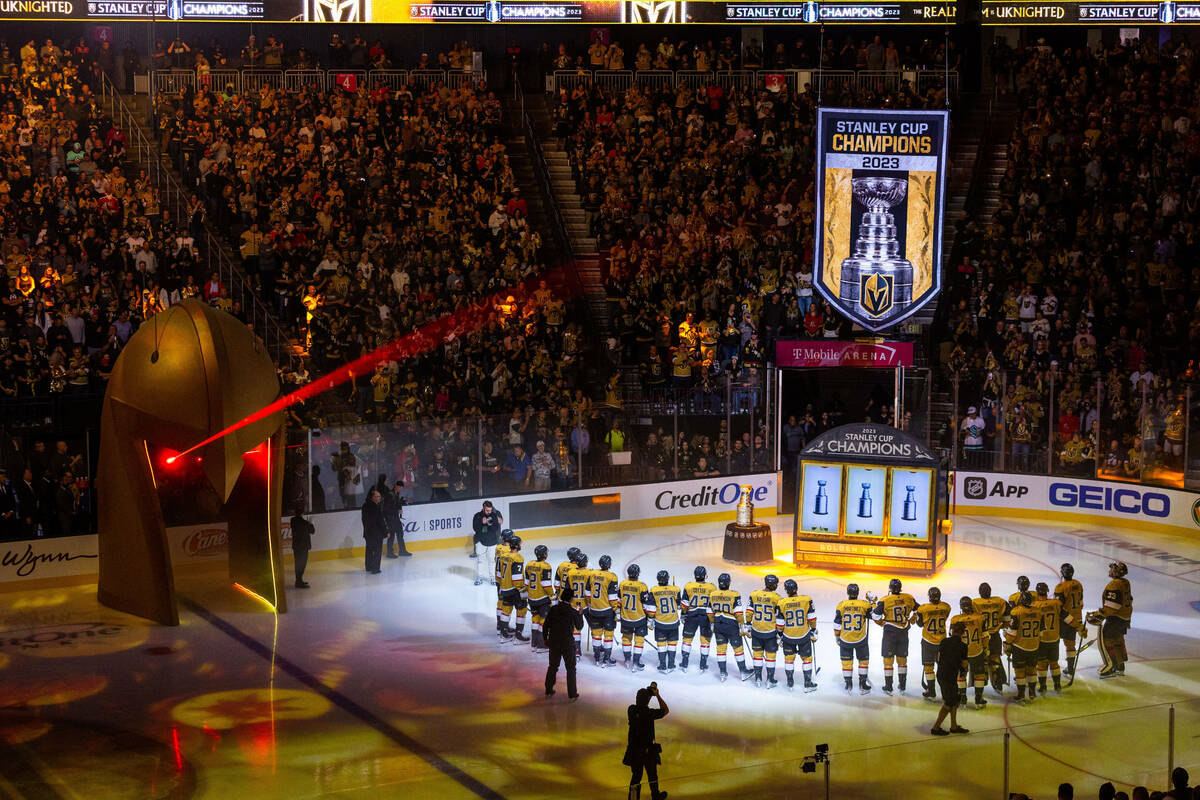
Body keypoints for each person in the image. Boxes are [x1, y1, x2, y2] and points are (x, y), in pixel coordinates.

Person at [624, 683, 669, 800]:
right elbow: (665, 710)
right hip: (648, 750)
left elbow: (642, 701)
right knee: (652, 775)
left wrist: (648, 694)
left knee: (636, 777)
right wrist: (657, 695)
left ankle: (633, 798)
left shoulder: (631, 710)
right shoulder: (649, 713)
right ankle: (655, 795)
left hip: (634, 750)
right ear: (648, 700)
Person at [1087, 561, 1132, 678]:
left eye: (1112, 568)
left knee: (1105, 640)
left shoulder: (1114, 585)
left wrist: (1099, 615)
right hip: (1125, 617)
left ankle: (1110, 666)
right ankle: (1120, 666)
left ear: (1116, 572)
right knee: (1117, 639)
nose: (1109, 570)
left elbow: (1113, 606)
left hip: (1116, 618)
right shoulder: (1125, 582)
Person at [876, 578, 917, 695]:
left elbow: (875, 615)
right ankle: (902, 686)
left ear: (890, 588)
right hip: (904, 632)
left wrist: (881, 622)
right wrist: (914, 618)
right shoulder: (908, 598)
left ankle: (888, 686)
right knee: (902, 659)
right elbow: (920, 609)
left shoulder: (885, 600)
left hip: (890, 633)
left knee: (888, 661)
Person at [709, 573, 753, 682]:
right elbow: (738, 612)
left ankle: (722, 673)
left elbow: (709, 611)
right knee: (738, 649)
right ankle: (743, 671)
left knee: (721, 650)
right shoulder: (734, 594)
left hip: (718, 623)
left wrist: (712, 623)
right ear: (729, 583)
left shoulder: (712, 594)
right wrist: (742, 625)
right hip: (731, 624)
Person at [929, 620, 969, 736]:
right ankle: (935, 728)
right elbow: (964, 663)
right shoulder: (963, 646)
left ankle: (954, 726)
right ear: (962, 633)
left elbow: (939, 657)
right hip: (950, 676)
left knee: (954, 700)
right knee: (949, 702)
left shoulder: (944, 641)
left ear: (952, 631)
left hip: (941, 674)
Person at [778, 578, 818, 692]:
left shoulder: (782, 602)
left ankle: (790, 682)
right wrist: (813, 629)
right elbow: (812, 618)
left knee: (789, 659)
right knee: (807, 659)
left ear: (786, 590)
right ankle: (807, 683)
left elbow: (780, 623)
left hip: (788, 636)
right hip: (803, 635)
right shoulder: (806, 599)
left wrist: (780, 635)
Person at [834, 583, 874, 694]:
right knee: (863, 660)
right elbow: (875, 615)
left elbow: (837, 624)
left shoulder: (841, 605)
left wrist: (837, 637)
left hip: (845, 639)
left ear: (848, 593)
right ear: (857, 593)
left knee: (847, 662)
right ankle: (862, 683)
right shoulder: (864, 605)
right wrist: (873, 602)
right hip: (860, 639)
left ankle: (848, 684)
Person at [912, 587, 951, 701]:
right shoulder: (946, 606)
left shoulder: (923, 609)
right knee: (943, 668)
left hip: (928, 641)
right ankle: (946, 692)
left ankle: (931, 691)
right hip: (942, 642)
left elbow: (919, 624)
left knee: (929, 667)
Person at [949, 596, 987, 707]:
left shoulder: (956, 619)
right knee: (979, 675)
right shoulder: (980, 618)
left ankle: (962, 699)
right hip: (977, 651)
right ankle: (978, 700)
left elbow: (952, 635)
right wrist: (985, 648)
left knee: (961, 675)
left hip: (961, 652)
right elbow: (985, 636)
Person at [544, 587, 581, 700]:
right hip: (567, 644)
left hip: (554, 642)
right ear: (571, 599)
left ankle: (548, 689)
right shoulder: (573, 612)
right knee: (571, 668)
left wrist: (545, 639)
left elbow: (545, 626)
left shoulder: (553, 609)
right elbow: (579, 626)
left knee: (553, 666)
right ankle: (572, 693)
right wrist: (580, 614)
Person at [747, 574, 783, 688]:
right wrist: (780, 631)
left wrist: (748, 623)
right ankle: (770, 680)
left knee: (757, 655)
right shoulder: (777, 598)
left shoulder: (754, 594)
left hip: (756, 630)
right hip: (770, 632)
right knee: (770, 656)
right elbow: (780, 617)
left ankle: (758, 678)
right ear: (773, 584)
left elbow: (749, 612)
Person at [1032, 582, 1069, 693]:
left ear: (1037, 592)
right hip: (1054, 639)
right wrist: (1079, 627)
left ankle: (1043, 686)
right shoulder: (1056, 603)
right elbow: (1067, 617)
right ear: (1047, 591)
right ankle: (1057, 685)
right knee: (1054, 663)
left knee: (1042, 664)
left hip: (1042, 640)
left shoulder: (1034, 605)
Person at [1006, 590, 1042, 702]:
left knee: (1020, 672)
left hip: (1020, 647)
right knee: (1032, 670)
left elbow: (1012, 632)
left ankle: (1021, 694)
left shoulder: (1016, 611)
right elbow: (1041, 631)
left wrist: (1007, 642)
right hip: (1034, 646)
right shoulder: (1039, 611)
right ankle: (1032, 692)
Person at [973, 582, 1009, 691]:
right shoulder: (1000, 601)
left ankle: (981, 682)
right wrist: (1003, 627)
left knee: (982, 659)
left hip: (981, 637)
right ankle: (997, 682)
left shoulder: (975, 603)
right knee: (995, 658)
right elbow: (1008, 618)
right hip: (994, 636)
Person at [679, 565, 715, 673]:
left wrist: (683, 614)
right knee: (705, 641)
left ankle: (684, 663)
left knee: (687, 640)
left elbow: (684, 603)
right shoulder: (712, 587)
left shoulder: (689, 586)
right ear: (705, 575)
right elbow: (714, 604)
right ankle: (703, 664)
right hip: (706, 617)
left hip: (692, 615)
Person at [586, 554, 620, 666]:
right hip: (607, 611)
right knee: (608, 635)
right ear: (609, 565)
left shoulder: (592, 574)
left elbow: (587, 593)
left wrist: (590, 605)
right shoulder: (612, 577)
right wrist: (616, 610)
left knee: (596, 634)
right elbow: (612, 597)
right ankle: (606, 658)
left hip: (594, 611)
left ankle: (596, 658)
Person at [618, 564, 653, 671]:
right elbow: (646, 605)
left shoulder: (622, 584)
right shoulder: (642, 586)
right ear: (638, 574)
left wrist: (617, 613)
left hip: (626, 617)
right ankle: (636, 662)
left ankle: (627, 660)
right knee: (639, 640)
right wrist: (650, 617)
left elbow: (618, 601)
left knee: (626, 639)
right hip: (639, 618)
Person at [1054, 563, 1085, 679]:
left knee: (1054, 642)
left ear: (1062, 573)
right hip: (1077, 618)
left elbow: (1059, 607)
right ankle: (1071, 669)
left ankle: (1053, 667)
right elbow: (1081, 603)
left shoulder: (1060, 587)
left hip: (1065, 620)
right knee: (1070, 644)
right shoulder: (1078, 584)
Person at [495, 535, 528, 642]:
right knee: (521, 609)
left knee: (506, 610)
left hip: (504, 588)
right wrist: (522, 591)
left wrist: (502, 586)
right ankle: (518, 636)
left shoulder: (504, 556)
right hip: (514, 589)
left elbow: (499, 574)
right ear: (517, 545)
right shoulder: (518, 558)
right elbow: (517, 578)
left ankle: (504, 635)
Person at [647, 570, 681, 673]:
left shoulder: (653, 590)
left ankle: (662, 665)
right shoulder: (676, 589)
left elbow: (651, 609)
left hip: (660, 622)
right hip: (673, 622)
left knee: (661, 644)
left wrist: (650, 619)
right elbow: (679, 606)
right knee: (672, 643)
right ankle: (671, 664)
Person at [525, 545, 554, 650]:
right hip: (542, 599)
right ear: (545, 555)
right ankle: (542, 645)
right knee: (543, 621)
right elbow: (546, 584)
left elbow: (526, 583)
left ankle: (534, 644)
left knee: (535, 619)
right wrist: (552, 596)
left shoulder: (529, 564)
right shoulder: (546, 566)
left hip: (532, 598)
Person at [471, 501, 502, 586]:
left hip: (492, 542)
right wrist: (482, 523)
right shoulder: (477, 516)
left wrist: (489, 524)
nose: (489, 512)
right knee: (480, 561)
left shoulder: (494, 515)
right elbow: (475, 528)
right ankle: (479, 577)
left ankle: (492, 578)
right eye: (487, 510)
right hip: (481, 542)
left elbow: (496, 528)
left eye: (490, 510)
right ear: (483, 508)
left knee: (492, 561)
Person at [384, 479, 411, 558]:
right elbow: (386, 509)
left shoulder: (396, 494)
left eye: (401, 488)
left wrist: (403, 502)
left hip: (395, 518)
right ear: (396, 486)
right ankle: (389, 553)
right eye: (399, 487)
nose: (400, 489)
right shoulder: (390, 495)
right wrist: (397, 510)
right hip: (390, 518)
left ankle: (402, 551)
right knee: (392, 535)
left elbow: (395, 503)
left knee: (400, 534)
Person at [361, 488, 386, 574]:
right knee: (377, 551)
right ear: (372, 497)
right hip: (376, 533)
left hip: (368, 533)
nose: (379, 498)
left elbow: (364, 520)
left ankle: (368, 566)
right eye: (377, 496)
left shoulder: (365, 505)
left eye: (379, 496)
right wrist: (386, 532)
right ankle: (375, 568)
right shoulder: (375, 507)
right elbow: (380, 521)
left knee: (369, 550)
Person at [290, 509, 314, 588]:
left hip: (296, 546)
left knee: (297, 563)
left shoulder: (292, 520)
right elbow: (312, 531)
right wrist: (310, 523)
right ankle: (299, 581)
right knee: (302, 564)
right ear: (302, 513)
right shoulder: (305, 523)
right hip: (303, 547)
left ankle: (298, 580)